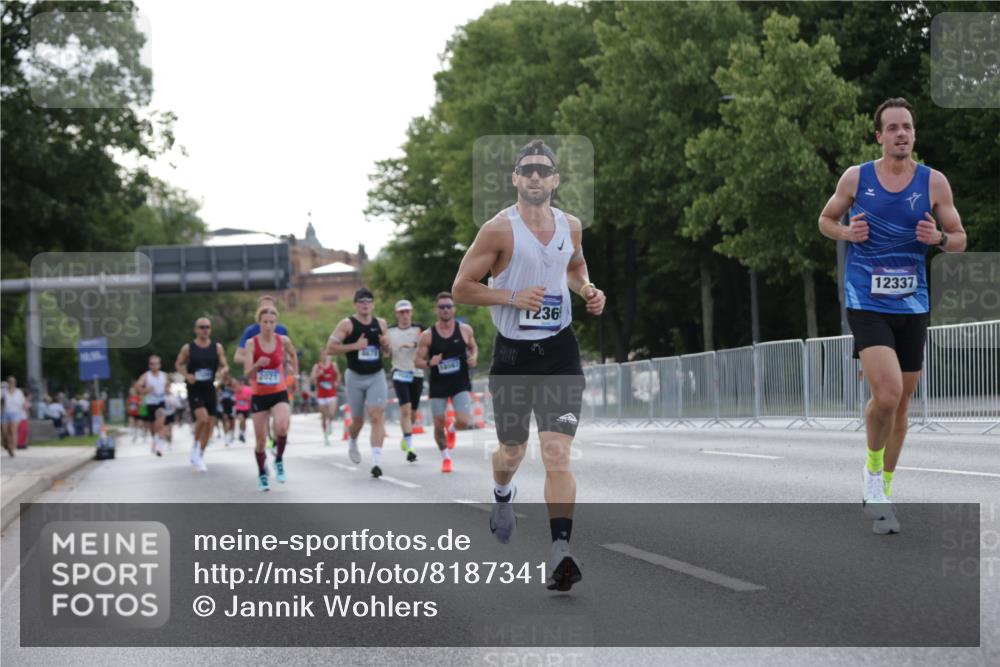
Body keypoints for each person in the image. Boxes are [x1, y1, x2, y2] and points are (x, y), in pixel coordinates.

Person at [452, 139, 606, 591]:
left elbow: (575, 267)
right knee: (513, 451)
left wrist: (587, 289)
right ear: (516, 178)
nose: (535, 176)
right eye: (527, 169)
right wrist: (512, 297)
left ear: (555, 180)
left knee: (557, 453)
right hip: (513, 356)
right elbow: (462, 287)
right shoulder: (498, 230)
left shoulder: (570, 226)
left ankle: (561, 551)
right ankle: (502, 492)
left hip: (560, 352)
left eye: (543, 170)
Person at [819, 97, 967, 535]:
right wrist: (847, 232)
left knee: (901, 405)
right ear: (879, 136)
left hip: (913, 304)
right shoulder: (857, 177)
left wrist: (938, 238)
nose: (902, 133)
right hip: (866, 300)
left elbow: (959, 238)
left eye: (908, 127)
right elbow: (825, 220)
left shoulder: (934, 182)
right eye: (893, 128)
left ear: (914, 134)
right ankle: (871, 471)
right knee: (886, 395)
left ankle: (883, 489)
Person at [326, 287, 390, 478]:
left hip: (376, 375)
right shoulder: (347, 324)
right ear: (355, 304)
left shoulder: (381, 323)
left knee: (376, 415)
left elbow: (387, 353)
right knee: (358, 421)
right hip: (355, 377)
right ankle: (353, 439)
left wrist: (386, 345)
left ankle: (376, 462)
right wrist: (355, 346)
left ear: (373, 304)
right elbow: (330, 348)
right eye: (361, 301)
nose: (365, 304)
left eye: (368, 301)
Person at [414, 292, 478, 473]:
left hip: (460, 383)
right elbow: (417, 361)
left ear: (454, 309)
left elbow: (473, 347)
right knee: (438, 422)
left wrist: (474, 357)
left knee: (464, 421)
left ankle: (452, 429)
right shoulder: (427, 335)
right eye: (442, 307)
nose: (445, 310)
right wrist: (429, 363)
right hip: (438, 385)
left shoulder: (465, 330)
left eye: (448, 306)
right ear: (436, 310)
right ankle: (446, 458)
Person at [243, 304, 298, 491]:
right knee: (260, 442)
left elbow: (293, 354)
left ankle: (279, 460)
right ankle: (262, 474)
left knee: (282, 427)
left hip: (278, 391)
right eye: (265, 322)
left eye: (272, 322)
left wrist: (294, 373)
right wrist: (257, 364)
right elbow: (247, 375)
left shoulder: (283, 340)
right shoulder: (251, 343)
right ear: (259, 323)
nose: (268, 325)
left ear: (276, 323)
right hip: (259, 395)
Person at [175, 317, 229, 471]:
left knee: (210, 425)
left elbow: (225, 365)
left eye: (207, 327)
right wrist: (187, 375)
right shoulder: (188, 348)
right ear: (196, 330)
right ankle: (195, 444)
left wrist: (223, 372)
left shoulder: (217, 347)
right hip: (195, 388)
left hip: (210, 388)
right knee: (203, 419)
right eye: (202, 327)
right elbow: (178, 364)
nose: (205, 330)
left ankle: (199, 454)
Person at [386, 299, 424, 463]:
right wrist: (385, 349)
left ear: (411, 312)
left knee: (413, 412)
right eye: (401, 312)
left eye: (407, 311)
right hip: (399, 372)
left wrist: (413, 344)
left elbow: (428, 342)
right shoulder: (390, 331)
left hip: (416, 373)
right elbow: (386, 352)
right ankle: (410, 448)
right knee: (405, 409)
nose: (405, 315)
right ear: (397, 314)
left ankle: (406, 436)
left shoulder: (419, 329)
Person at [135, 356, 169, 456]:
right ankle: (154, 439)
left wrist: (167, 391)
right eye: (152, 364)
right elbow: (137, 387)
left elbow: (167, 387)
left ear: (159, 364)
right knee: (153, 427)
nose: (154, 365)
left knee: (161, 424)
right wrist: (146, 390)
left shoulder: (164, 375)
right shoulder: (146, 376)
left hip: (161, 403)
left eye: (156, 363)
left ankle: (159, 446)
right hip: (150, 403)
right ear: (149, 365)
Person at [310, 351, 340, 446]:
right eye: (323, 355)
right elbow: (311, 380)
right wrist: (318, 374)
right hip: (321, 396)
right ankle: (325, 436)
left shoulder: (333, 365)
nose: (325, 356)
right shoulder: (317, 366)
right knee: (323, 417)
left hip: (332, 394)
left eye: (326, 354)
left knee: (331, 413)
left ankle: (330, 423)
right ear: (321, 356)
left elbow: (338, 375)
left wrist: (337, 382)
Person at [1, 376, 27, 457]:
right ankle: (7, 444)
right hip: (5, 413)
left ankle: (12, 449)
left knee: (13, 431)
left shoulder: (19, 392)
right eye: (10, 381)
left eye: (13, 382)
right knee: (4, 432)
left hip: (15, 413)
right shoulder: (4, 391)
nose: (11, 383)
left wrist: (24, 414)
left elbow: (23, 403)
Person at [218, 371, 237, 445]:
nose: (226, 376)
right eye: (224, 375)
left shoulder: (233, 383)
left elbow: (238, 390)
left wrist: (231, 388)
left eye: (227, 375)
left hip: (232, 403)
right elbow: (217, 393)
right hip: (223, 403)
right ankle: (226, 436)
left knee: (232, 420)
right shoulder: (220, 384)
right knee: (225, 419)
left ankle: (232, 434)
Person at [234, 378, 252, 443]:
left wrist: (245, 397)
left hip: (246, 408)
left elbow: (251, 398)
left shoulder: (248, 389)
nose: (241, 382)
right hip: (239, 408)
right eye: (240, 381)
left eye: (242, 381)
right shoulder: (236, 389)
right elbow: (234, 398)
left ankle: (243, 434)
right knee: (241, 420)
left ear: (244, 382)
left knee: (244, 421)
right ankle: (241, 433)